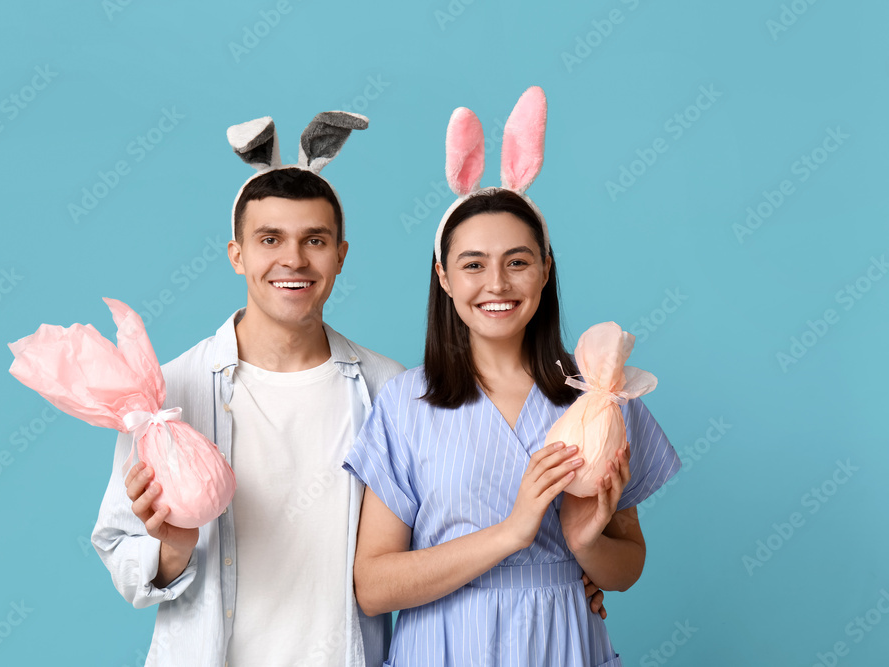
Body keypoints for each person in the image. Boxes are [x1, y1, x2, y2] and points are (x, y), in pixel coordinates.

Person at [344, 88, 681, 666]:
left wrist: (584, 543)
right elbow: (374, 587)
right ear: (444, 278)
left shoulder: (600, 394)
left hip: (564, 643)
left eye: (518, 261)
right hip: (443, 648)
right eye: (473, 264)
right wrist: (513, 530)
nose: (496, 284)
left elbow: (626, 570)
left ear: (546, 271)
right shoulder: (407, 402)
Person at [91, 111, 405, 666]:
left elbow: (430, 537)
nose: (293, 259)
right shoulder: (167, 393)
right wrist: (172, 550)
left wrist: (569, 572)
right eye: (270, 239)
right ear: (237, 255)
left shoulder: (389, 389)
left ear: (340, 256)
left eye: (315, 240)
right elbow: (119, 547)